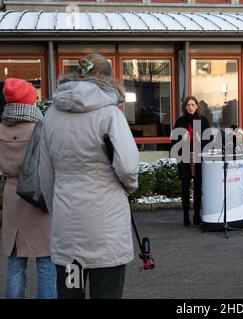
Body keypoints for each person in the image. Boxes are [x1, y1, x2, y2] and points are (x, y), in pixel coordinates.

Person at [39, 53, 139, 299]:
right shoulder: (110, 114)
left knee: (71, 291)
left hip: (67, 223)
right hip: (106, 223)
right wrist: (128, 187)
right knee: (106, 291)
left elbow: (45, 172)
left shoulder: (52, 115)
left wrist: (57, 207)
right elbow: (127, 167)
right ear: (108, 78)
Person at [0, 78, 56, 299]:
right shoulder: (41, 128)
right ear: (31, 100)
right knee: (46, 261)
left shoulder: (2, 128)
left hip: (13, 196)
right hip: (38, 196)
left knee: (15, 262)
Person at [172, 96, 210, 226]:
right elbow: (173, 141)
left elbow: (210, 141)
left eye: (193, 105)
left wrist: (201, 140)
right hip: (185, 158)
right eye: (188, 105)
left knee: (198, 188)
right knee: (185, 188)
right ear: (185, 107)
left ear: (197, 106)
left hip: (199, 158)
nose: (190, 107)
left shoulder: (203, 121)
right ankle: (186, 215)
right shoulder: (180, 121)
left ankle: (196, 215)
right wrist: (182, 140)